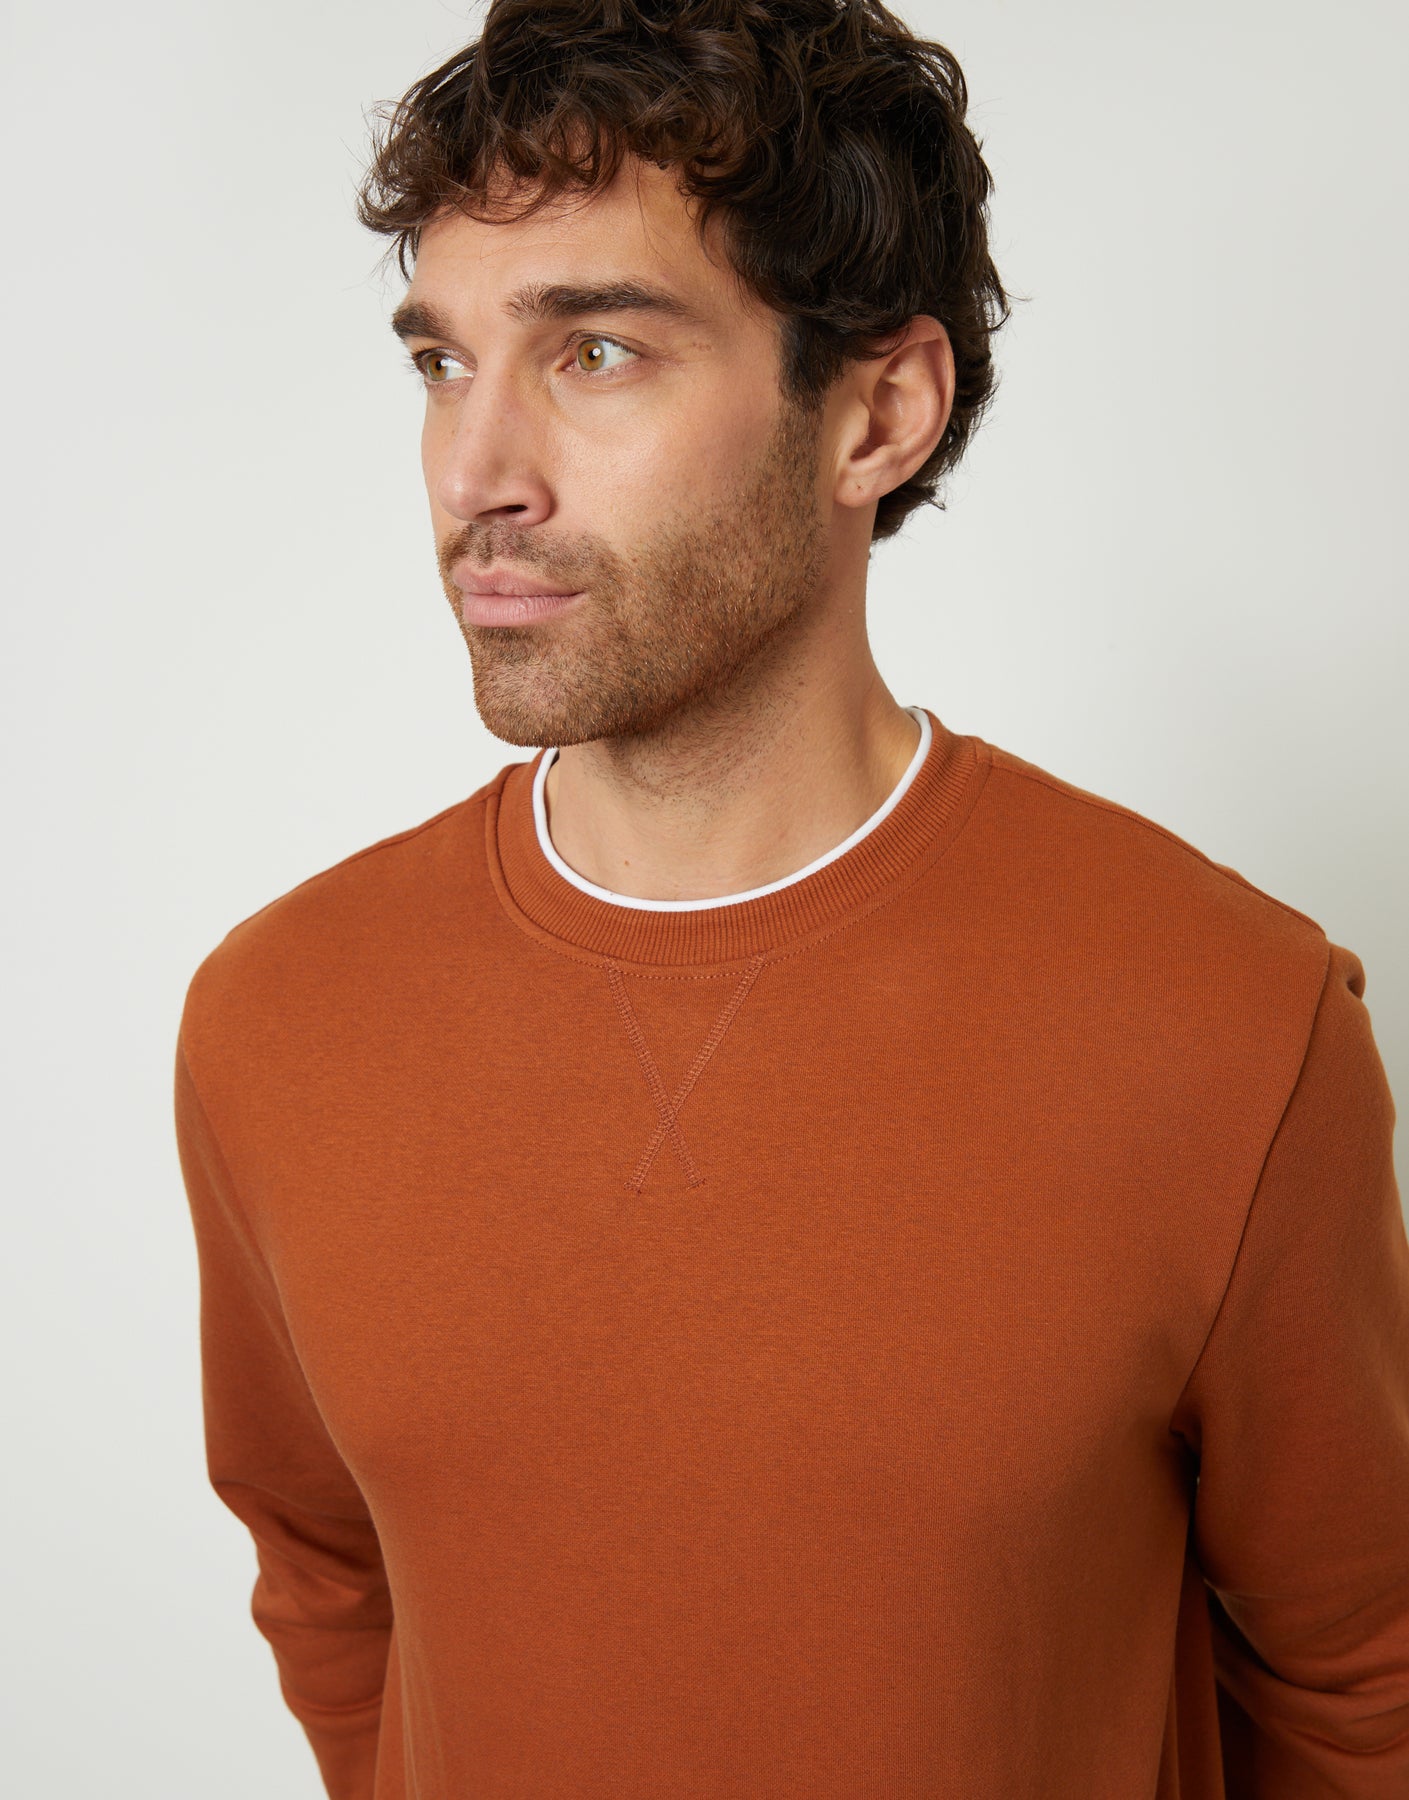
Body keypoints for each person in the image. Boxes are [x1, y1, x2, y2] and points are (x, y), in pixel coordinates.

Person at [173, 3, 1409, 1796]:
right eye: (441, 361)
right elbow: (329, 1579)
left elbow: (1359, 1683)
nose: (473, 474)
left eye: (596, 350)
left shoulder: (1228, 1026)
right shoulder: (278, 1020)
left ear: (877, 414)